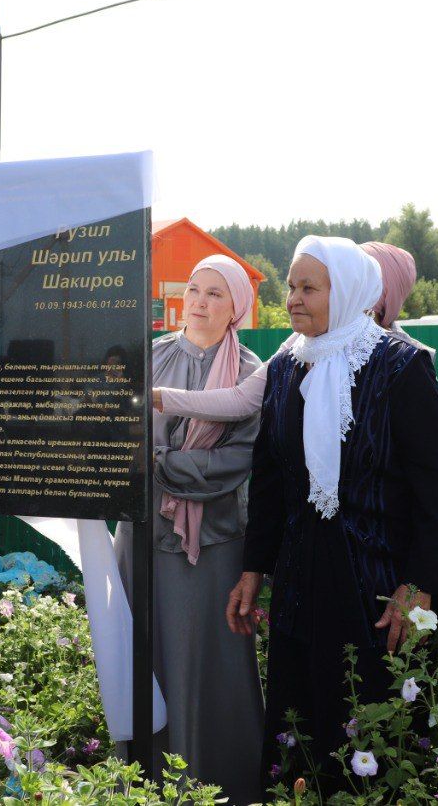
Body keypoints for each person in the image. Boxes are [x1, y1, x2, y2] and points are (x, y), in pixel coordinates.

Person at [224, 236, 438, 792]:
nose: (294, 299)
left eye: (309, 287)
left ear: (347, 291)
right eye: (291, 286)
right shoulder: (286, 368)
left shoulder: (399, 367)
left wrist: (418, 584)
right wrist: (253, 570)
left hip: (375, 584)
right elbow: (272, 481)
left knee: (367, 723)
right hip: (302, 579)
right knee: (299, 721)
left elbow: (435, 484)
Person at [115, 255, 263, 803]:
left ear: (236, 309)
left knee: (207, 665)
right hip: (141, 541)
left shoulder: (252, 374)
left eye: (215, 295)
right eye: (193, 290)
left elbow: (238, 460)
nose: (198, 303)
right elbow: (111, 434)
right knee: (143, 663)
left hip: (212, 548)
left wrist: (158, 461)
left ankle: (216, 784)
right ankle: (144, 783)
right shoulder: (146, 358)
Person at [152, 242, 438, 450]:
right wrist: (153, 397)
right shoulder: (298, 348)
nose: (295, 300)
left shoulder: (407, 360)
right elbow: (243, 401)